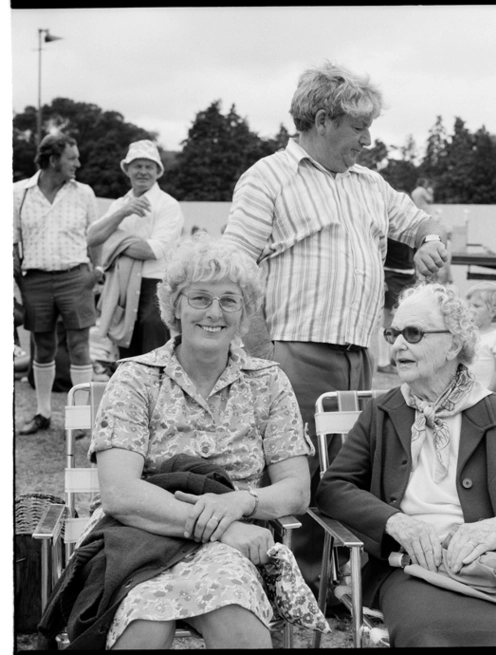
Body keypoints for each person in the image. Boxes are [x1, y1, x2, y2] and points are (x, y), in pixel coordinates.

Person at [221, 61, 450, 589]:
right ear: (323, 120)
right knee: (290, 473)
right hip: (292, 351)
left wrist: (433, 244)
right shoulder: (268, 177)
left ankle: (331, 581)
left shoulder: (370, 183)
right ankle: (282, 585)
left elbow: (421, 224)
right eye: (359, 128)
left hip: (359, 356)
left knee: (346, 475)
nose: (369, 141)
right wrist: (256, 354)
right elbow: (234, 265)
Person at [56, 235, 314, 648]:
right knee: (144, 625)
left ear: (244, 312)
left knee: (239, 624)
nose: (214, 313)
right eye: (200, 298)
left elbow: (297, 489)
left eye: (229, 301)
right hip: (139, 538)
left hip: (234, 549)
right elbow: (120, 493)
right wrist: (222, 530)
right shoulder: (137, 377)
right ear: (175, 306)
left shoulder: (268, 382)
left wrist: (241, 504)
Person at [316, 282, 496, 647]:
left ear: (453, 344)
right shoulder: (382, 413)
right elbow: (333, 488)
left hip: (493, 570)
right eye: (394, 332)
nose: (398, 343)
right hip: (415, 570)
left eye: (414, 333)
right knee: (431, 636)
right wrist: (396, 523)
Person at [13, 133, 102, 435]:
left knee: (79, 346)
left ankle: (81, 421)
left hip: (75, 277)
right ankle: (42, 414)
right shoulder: (18, 193)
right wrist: (17, 286)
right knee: (44, 347)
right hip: (34, 279)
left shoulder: (84, 192)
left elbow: (94, 237)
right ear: (52, 160)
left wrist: (96, 270)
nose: (78, 163)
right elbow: (11, 243)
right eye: (72, 158)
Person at [87, 140, 184, 358]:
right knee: (125, 353)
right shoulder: (119, 205)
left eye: (148, 166)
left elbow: (154, 250)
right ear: (127, 169)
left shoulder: (168, 205)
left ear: (158, 171)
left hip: (155, 284)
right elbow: (93, 237)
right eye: (137, 166)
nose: (143, 172)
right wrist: (123, 213)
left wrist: (114, 242)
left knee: (153, 350)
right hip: (121, 286)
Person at [466, 282, 496, 392]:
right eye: (469, 305)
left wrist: (488, 393)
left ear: (493, 311)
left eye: (476, 306)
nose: (470, 310)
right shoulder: (465, 336)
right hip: (466, 393)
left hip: (488, 393)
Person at [377, 239, 417, 374]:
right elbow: (377, 249)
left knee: (405, 318)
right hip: (390, 274)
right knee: (389, 316)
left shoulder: (414, 223)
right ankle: (383, 362)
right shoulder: (390, 225)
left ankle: (395, 357)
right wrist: (380, 277)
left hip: (409, 274)